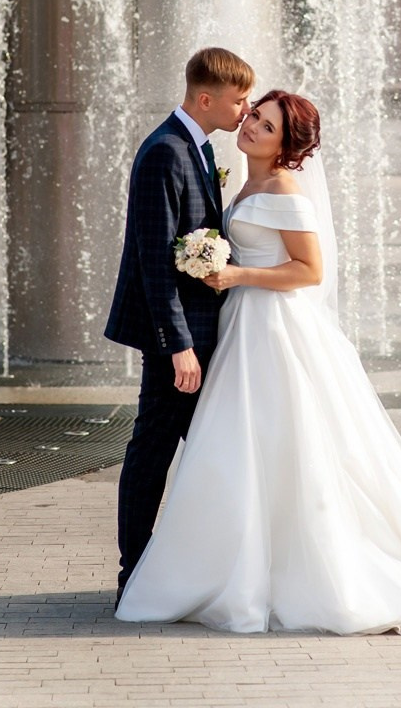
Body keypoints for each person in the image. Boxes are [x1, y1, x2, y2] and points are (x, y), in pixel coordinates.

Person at [115, 89, 401, 634]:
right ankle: (240, 561)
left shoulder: (285, 190)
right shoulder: (243, 181)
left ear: (285, 146)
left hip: (273, 326)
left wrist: (239, 274)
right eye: (255, 116)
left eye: (266, 127)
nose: (251, 126)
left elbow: (309, 270)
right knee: (245, 446)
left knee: (285, 442)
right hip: (242, 325)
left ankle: (292, 568)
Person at [104, 46, 254, 610]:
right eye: (239, 101)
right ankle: (134, 576)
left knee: (208, 451)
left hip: (198, 333)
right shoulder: (165, 152)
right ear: (206, 99)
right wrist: (179, 347)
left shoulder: (198, 146)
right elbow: (152, 260)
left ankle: (197, 571)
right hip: (180, 340)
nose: (245, 110)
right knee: (152, 452)